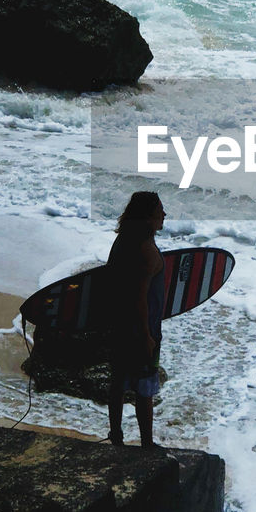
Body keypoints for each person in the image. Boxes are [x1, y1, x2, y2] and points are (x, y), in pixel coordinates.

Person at [105, 191, 166, 448]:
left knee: (117, 382)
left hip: (118, 324)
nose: (164, 215)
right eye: (159, 211)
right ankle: (147, 444)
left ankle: (116, 436)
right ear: (148, 216)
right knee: (145, 388)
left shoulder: (122, 242)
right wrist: (146, 335)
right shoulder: (146, 251)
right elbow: (140, 297)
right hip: (142, 328)